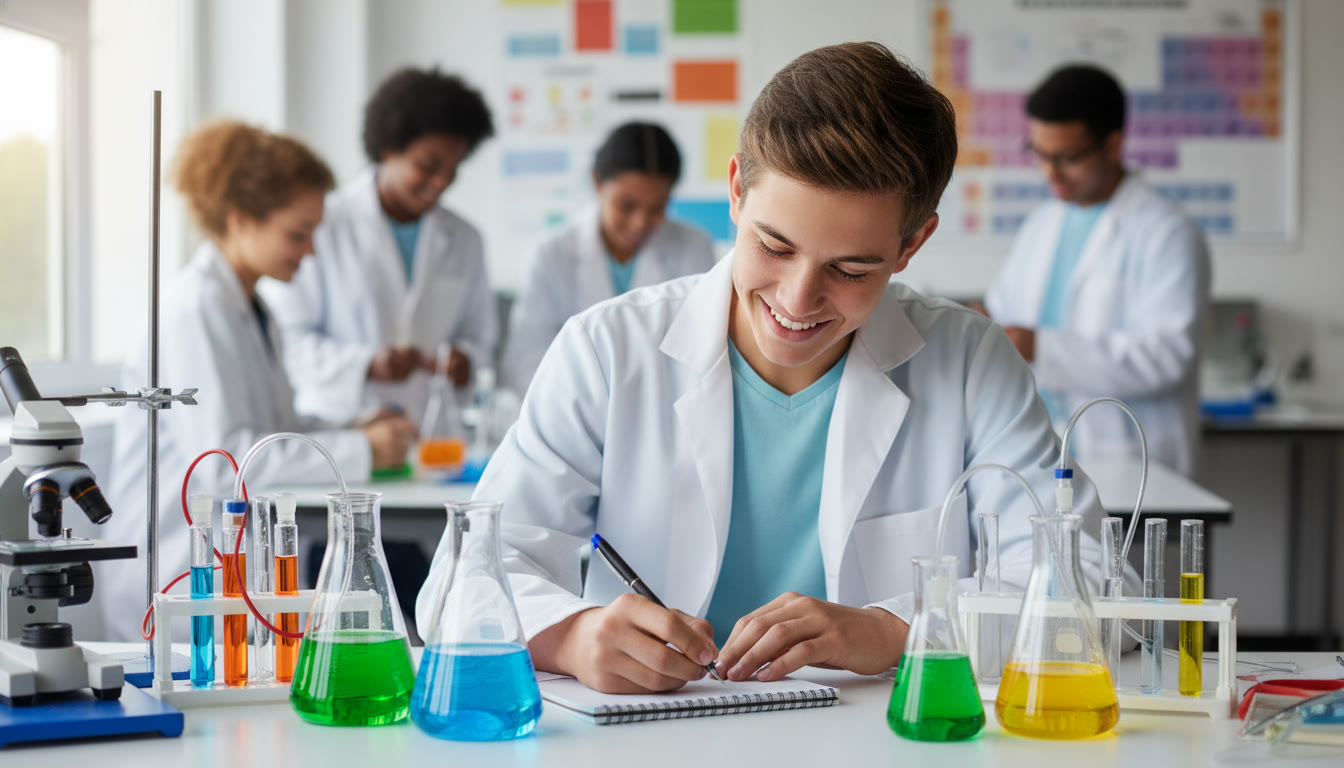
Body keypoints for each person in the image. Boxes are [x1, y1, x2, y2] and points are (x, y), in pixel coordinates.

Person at [416, 42, 1137, 694]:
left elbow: (1100, 595)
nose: (797, 301)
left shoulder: (971, 362)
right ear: (735, 190)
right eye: (774, 245)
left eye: (852, 267)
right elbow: (458, 579)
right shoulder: (607, 350)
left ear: (913, 243)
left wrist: (894, 632)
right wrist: (570, 637)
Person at [101, 121, 416, 641]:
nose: (310, 252)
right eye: (298, 233)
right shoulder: (195, 309)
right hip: (177, 572)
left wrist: (356, 425)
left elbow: (275, 427)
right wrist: (360, 449)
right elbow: (226, 462)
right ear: (241, 219)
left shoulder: (250, 306)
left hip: (227, 573)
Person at [982, 64, 1211, 475]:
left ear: (1113, 144)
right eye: (1039, 153)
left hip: (1130, 458)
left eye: (1067, 158)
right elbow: (1006, 315)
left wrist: (1039, 346)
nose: (1050, 173)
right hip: (1039, 451)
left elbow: (1167, 355)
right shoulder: (1041, 224)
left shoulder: (1166, 232)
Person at [262, 68, 498, 427]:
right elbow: (287, 341)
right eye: (428, 165)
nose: (441, 182)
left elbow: (481, 338)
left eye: (453, 169)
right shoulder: (323, 223)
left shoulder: (465, 238)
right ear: (389, 149)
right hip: (344, 428)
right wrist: (366, 365)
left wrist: (465, 362)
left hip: (433, 434)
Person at [502, 122, 716, 394]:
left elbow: (703, 348)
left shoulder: (693, 247)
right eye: (626, 205)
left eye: (657, 208)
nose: (640, 223)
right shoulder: (552, 253)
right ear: (597, 182)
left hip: (664, 412)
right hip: (574, 412)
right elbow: (527, 357)